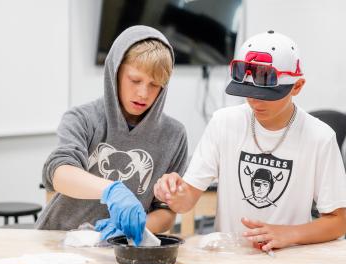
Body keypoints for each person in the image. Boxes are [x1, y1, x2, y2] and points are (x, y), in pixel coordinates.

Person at [154, 31, 346, 251]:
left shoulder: (320, 137)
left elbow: (339, 221)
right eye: (247, 91)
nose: (254, 101)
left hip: (288, 259)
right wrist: (172, 193)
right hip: (229, 256)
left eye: (266, 94)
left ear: (297, 86)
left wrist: (287, 234)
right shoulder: (223, 123)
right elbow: (186, 200)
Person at [36, 26, 188, 245]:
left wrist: (135, 227)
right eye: (135, 80)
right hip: (59, 240)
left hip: (120, 248)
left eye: (154, 85)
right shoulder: (83, 118)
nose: (143, 93)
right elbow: (59, 173)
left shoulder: (174, 135)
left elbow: (166, 211)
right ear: (115, 73)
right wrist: (110, 190)